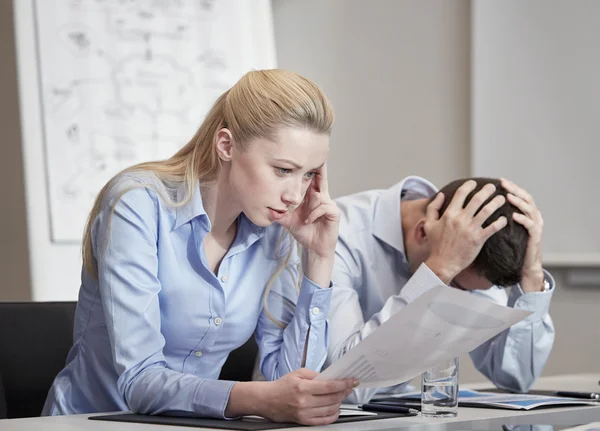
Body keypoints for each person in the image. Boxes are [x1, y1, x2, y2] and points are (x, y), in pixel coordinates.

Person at [42, 69, 359, 425]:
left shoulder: (274, 230)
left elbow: (289, 387)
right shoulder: (138, 205)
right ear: (226, 146)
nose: (296, 195)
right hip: (90, 424)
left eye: (309, 174)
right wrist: (253, 397)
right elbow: (139, 381)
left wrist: (319, 258)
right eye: (283, 170)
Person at [326, 176, 555, 403]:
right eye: (454, 286)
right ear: (423, 233)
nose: (460, 298)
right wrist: (438, 273)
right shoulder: (337, 234)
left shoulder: (472, 243)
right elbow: (345, 386)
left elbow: (515, 378)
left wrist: (532, 277)